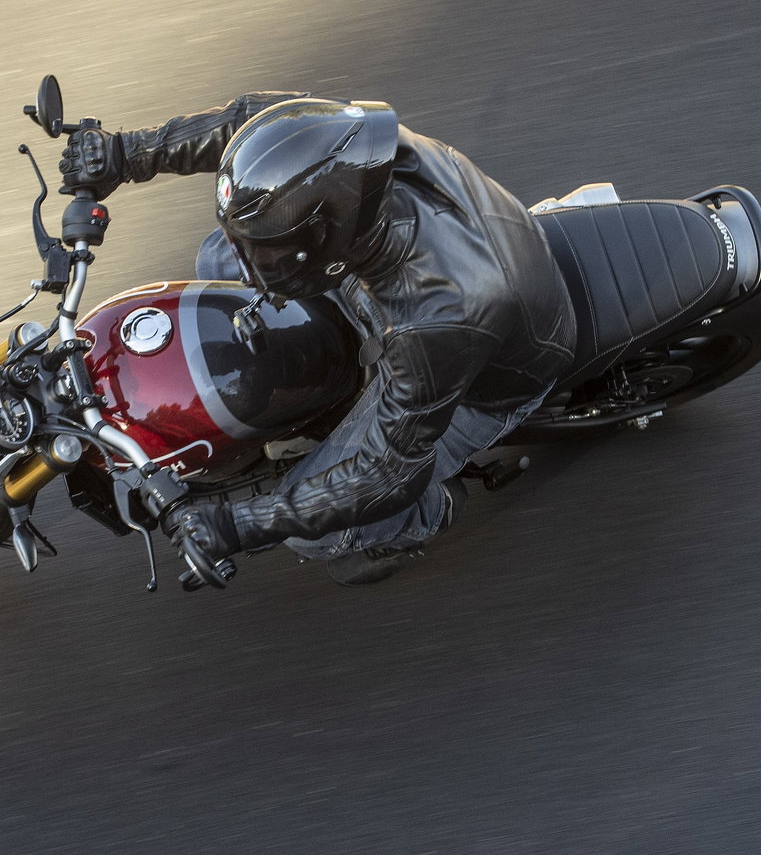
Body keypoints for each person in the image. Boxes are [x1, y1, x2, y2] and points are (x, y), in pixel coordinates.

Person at [59, 92, 577, 585]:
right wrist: (126, 155)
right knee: (215, 260)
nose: (247, 261)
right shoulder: (348, 145)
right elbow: (252, 125)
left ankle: (429, 513)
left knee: (319, 533)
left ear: (327, 242)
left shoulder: (435, 320)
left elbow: (385, 470)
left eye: (265, 251)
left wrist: (237, 524)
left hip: (483, 380)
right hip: (403, 288)